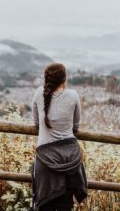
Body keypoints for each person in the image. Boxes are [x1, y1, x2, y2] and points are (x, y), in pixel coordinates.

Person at [31, 62, 87, 211]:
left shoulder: (38, 93)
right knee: (65, 205)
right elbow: (76, 126)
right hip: (69, 159)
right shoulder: (73, 96)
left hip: (45, 160)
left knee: (44, 206)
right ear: (64, 79)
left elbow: (36, 122)